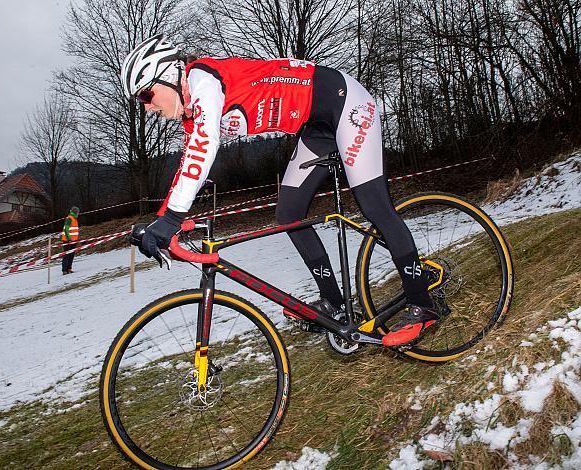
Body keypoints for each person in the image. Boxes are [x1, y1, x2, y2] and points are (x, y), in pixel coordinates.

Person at [124, 35, 440, 347]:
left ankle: (422, 303)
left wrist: (170, 219)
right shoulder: (192, 112)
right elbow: (189, 163)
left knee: (374, 206)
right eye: (142, 101)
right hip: (317, 128)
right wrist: (162, 219)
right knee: (288, 214)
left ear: (168, 75)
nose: (148, 106)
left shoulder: (203, 80)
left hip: (346, 104)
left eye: (146, 95)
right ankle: (334, 303)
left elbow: (204, 149)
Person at [61, 206, 80, 275]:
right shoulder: (69, 218)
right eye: (78, 212)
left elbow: (74, 231)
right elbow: (66, 229)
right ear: (75, 212)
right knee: (66, 255)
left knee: (71, 255)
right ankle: (64, 270)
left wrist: (76, 239)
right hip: (67, 240)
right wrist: (69, 239)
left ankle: (69, 269)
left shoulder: (75, 219)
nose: (78, 214)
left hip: (74, 241)